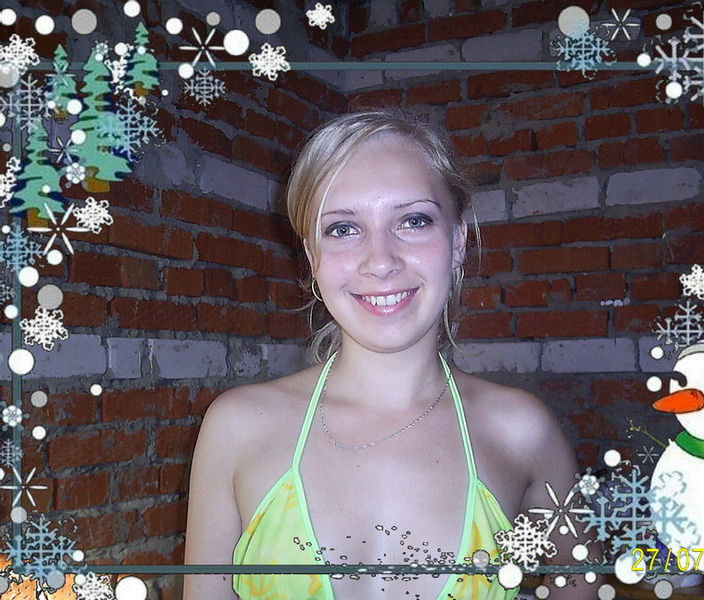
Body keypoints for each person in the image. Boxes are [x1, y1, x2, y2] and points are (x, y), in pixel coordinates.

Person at [183, 108, 598, 599]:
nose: (380, 262)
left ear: (458, 240)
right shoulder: (236, 427)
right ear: (311, 256)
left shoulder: (523, 431)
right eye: (343, 229)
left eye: (413, 221)